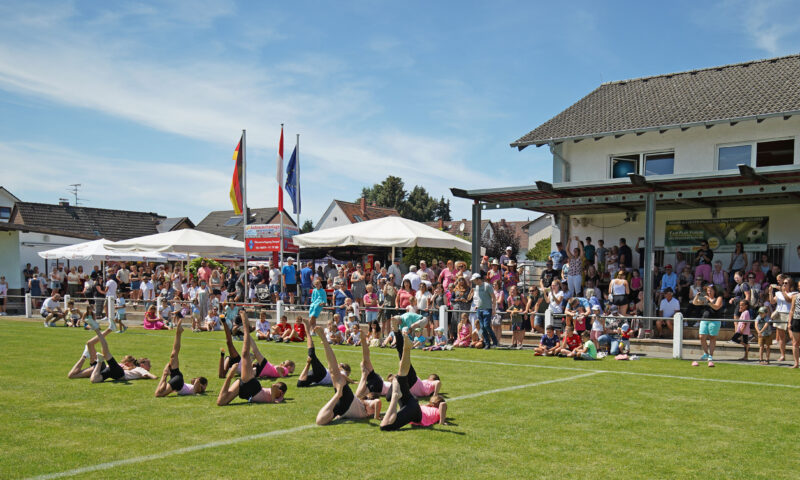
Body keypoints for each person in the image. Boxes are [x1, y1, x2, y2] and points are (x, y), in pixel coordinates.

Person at [313, 325, 382, 424]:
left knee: (320, 421)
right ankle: (324, 340)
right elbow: (377, 402)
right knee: (333, 371)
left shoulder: (363, 402)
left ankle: (337, 394)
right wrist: (376, 416)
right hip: (348, 400)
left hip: (342, 409)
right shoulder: (366, 403)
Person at [380, 331, 447, 430]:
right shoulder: (432, 410)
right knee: (385, 426)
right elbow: (443, 404)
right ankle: (404, 347)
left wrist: (441, 419)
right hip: (414, 408)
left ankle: (400, 338)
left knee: (402, 377)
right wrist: (442, 421)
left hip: (412, 403)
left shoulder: (430, 408)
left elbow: (442, 403)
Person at [216, 314, 287, 406]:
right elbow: (273, 387)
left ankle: (230, 376)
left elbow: (275, 391)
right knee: (245, 355)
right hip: (253, 387)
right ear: (281, 392)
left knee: (221, 402)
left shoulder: (280, 396)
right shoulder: (277, 393)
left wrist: (275, 397)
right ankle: (245, 327)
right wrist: (274, 396)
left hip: (246, 392)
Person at [154, 319, 208, 397]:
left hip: (178, 382)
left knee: (158, 394)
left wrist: (199, 383)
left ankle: (165, 374)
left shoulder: (197, 390)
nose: (205, 388)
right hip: (178, 379)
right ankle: (178, 333)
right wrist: (198, 381)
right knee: (173, 354)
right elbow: (195, 381)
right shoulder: (195, 388)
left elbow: (196, 382)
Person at [88, 324, 156, 383]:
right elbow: (150, 376)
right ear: (142, 365)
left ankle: (99, 362)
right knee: (106, 353)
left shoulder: (134, 368)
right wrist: (156, 377)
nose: (150, 366)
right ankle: (97, 330)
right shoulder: (141, 369)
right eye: (148, 364)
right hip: (120, 374)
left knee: (94, 380)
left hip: (114, 372)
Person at [693, 284, 723, 367]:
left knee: (712, 337)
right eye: (708, 290)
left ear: (714, 291)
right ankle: (706, 353)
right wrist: (697, 296)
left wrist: (709, 301)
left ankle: (711, 355)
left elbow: (716, 307)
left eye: (710, 290)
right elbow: (695, 303)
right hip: (704, 319)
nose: (708, 292)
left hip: (715, 320)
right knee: (701, 336)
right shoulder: (706, 298)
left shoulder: (718, 298)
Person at [471, 272, 498, 349]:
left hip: (487, 309)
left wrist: (494, 308)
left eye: (474, 280)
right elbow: (477, 298)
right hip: (479, 309)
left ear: (478, 279)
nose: (473, 281)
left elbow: (493, 297)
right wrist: (476, 305)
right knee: (482, 327)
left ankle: (495, 341)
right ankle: (487, 344)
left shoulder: (487, 286)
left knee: (486, 326)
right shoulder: (477, 287)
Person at [769, 276, 792, 363]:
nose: (784, 285)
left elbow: (788, 300)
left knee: (792, 337)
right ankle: (782, 355)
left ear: (790, 285)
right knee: (781, 337)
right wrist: (770, 292)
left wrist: (782, 291)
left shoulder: (793, 293)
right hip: (779, 314)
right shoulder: (778, 293)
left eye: (786, 283)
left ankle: (796, 356)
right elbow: (772, 302)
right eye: (783, 283)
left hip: (788, 314)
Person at [784, 279, 800, 368]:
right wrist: (789, 322)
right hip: (796, 320)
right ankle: (796, 363)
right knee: (795, 343)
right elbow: (792, 310)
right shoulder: (795, 296)